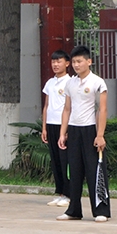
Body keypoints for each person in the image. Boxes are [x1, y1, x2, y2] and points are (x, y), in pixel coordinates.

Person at [57, 46, 110, 223]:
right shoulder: (70, 83)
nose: (76, 65)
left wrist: (100, 134)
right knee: (75, 171)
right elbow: (67, 109)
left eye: (79, 61)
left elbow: (102, 109)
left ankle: (101, 210)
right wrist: (62, 133)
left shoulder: (98, 82)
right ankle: (74, 210)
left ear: (89, 61)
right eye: (74, 62)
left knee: (94, 170)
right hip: (73, 129)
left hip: (90, 130)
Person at [41, 50, 71, 207]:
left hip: (63, 126)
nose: (55, 64)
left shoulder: (70, 82)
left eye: (59, 61)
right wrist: (44, 127)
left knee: (65, 160)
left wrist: (64, 132)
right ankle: (60, 192)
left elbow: (69, 108)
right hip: (51, 125)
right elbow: (46, 106)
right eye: (53, 62)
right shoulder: (50, 83)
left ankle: (68, 193)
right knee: (55, 160)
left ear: (67, 63)